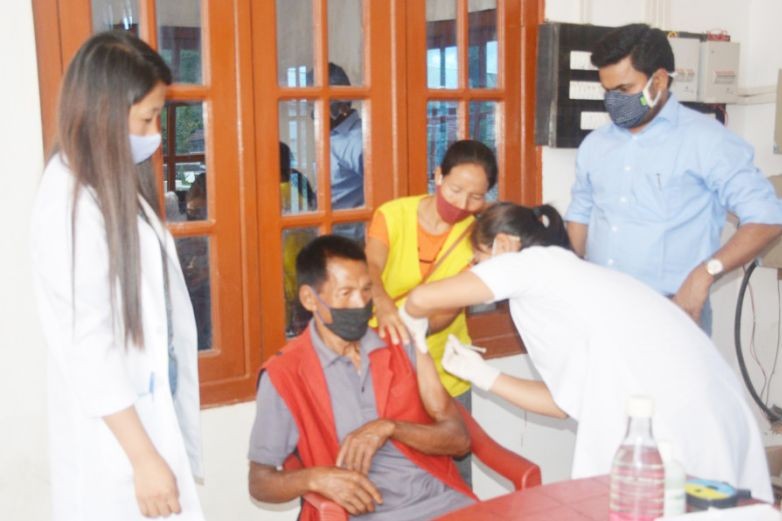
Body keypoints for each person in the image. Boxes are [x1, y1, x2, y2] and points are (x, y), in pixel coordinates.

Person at [402, 202, 773, 503]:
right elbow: (565, 403)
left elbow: (423, 297)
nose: (475, 271)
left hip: (672, 427)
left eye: (477, 260)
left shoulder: (533, 264)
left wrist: (409, 317)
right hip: (708, 410)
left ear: (503, 244)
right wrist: (484, 376)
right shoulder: (566, 284)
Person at [30, 31, 204, 520]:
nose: (154, 133)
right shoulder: (68, 201)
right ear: (107, 111)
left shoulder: (112, 184)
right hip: (119, 446)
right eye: (147, 117)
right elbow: (88, 343)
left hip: (147, 415)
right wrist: (145, 458)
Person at [564, 23, 782, 332]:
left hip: (672, 312)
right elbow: (581, 215)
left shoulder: (707, 141)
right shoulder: (596, 145)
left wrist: (704, 274)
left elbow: (767, 218)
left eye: (624, 89)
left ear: (660, 80)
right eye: (607, 91)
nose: (613, 100)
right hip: (602, 309)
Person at [248, 235, 476, 520]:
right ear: (309, 299)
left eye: (366, 290)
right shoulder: (285, 375)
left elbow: (459, 440)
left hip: (441, 502)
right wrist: (315, 479)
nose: (360, 304)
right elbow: (259, 482)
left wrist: (389, 427)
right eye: (346, 293)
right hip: (360, 514)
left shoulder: (400, 343)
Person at [365, 139, 497, 484]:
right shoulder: (393, 215)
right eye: (455, 190)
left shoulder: (479, 234)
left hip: (445, 369)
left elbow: (450, 309)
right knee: (394, 472)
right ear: (438, 176)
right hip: (385, 362)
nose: (462, 204)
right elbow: (370, 268)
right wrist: (383, 308)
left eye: (476, 197)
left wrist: (412, 331)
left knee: (455, 474)